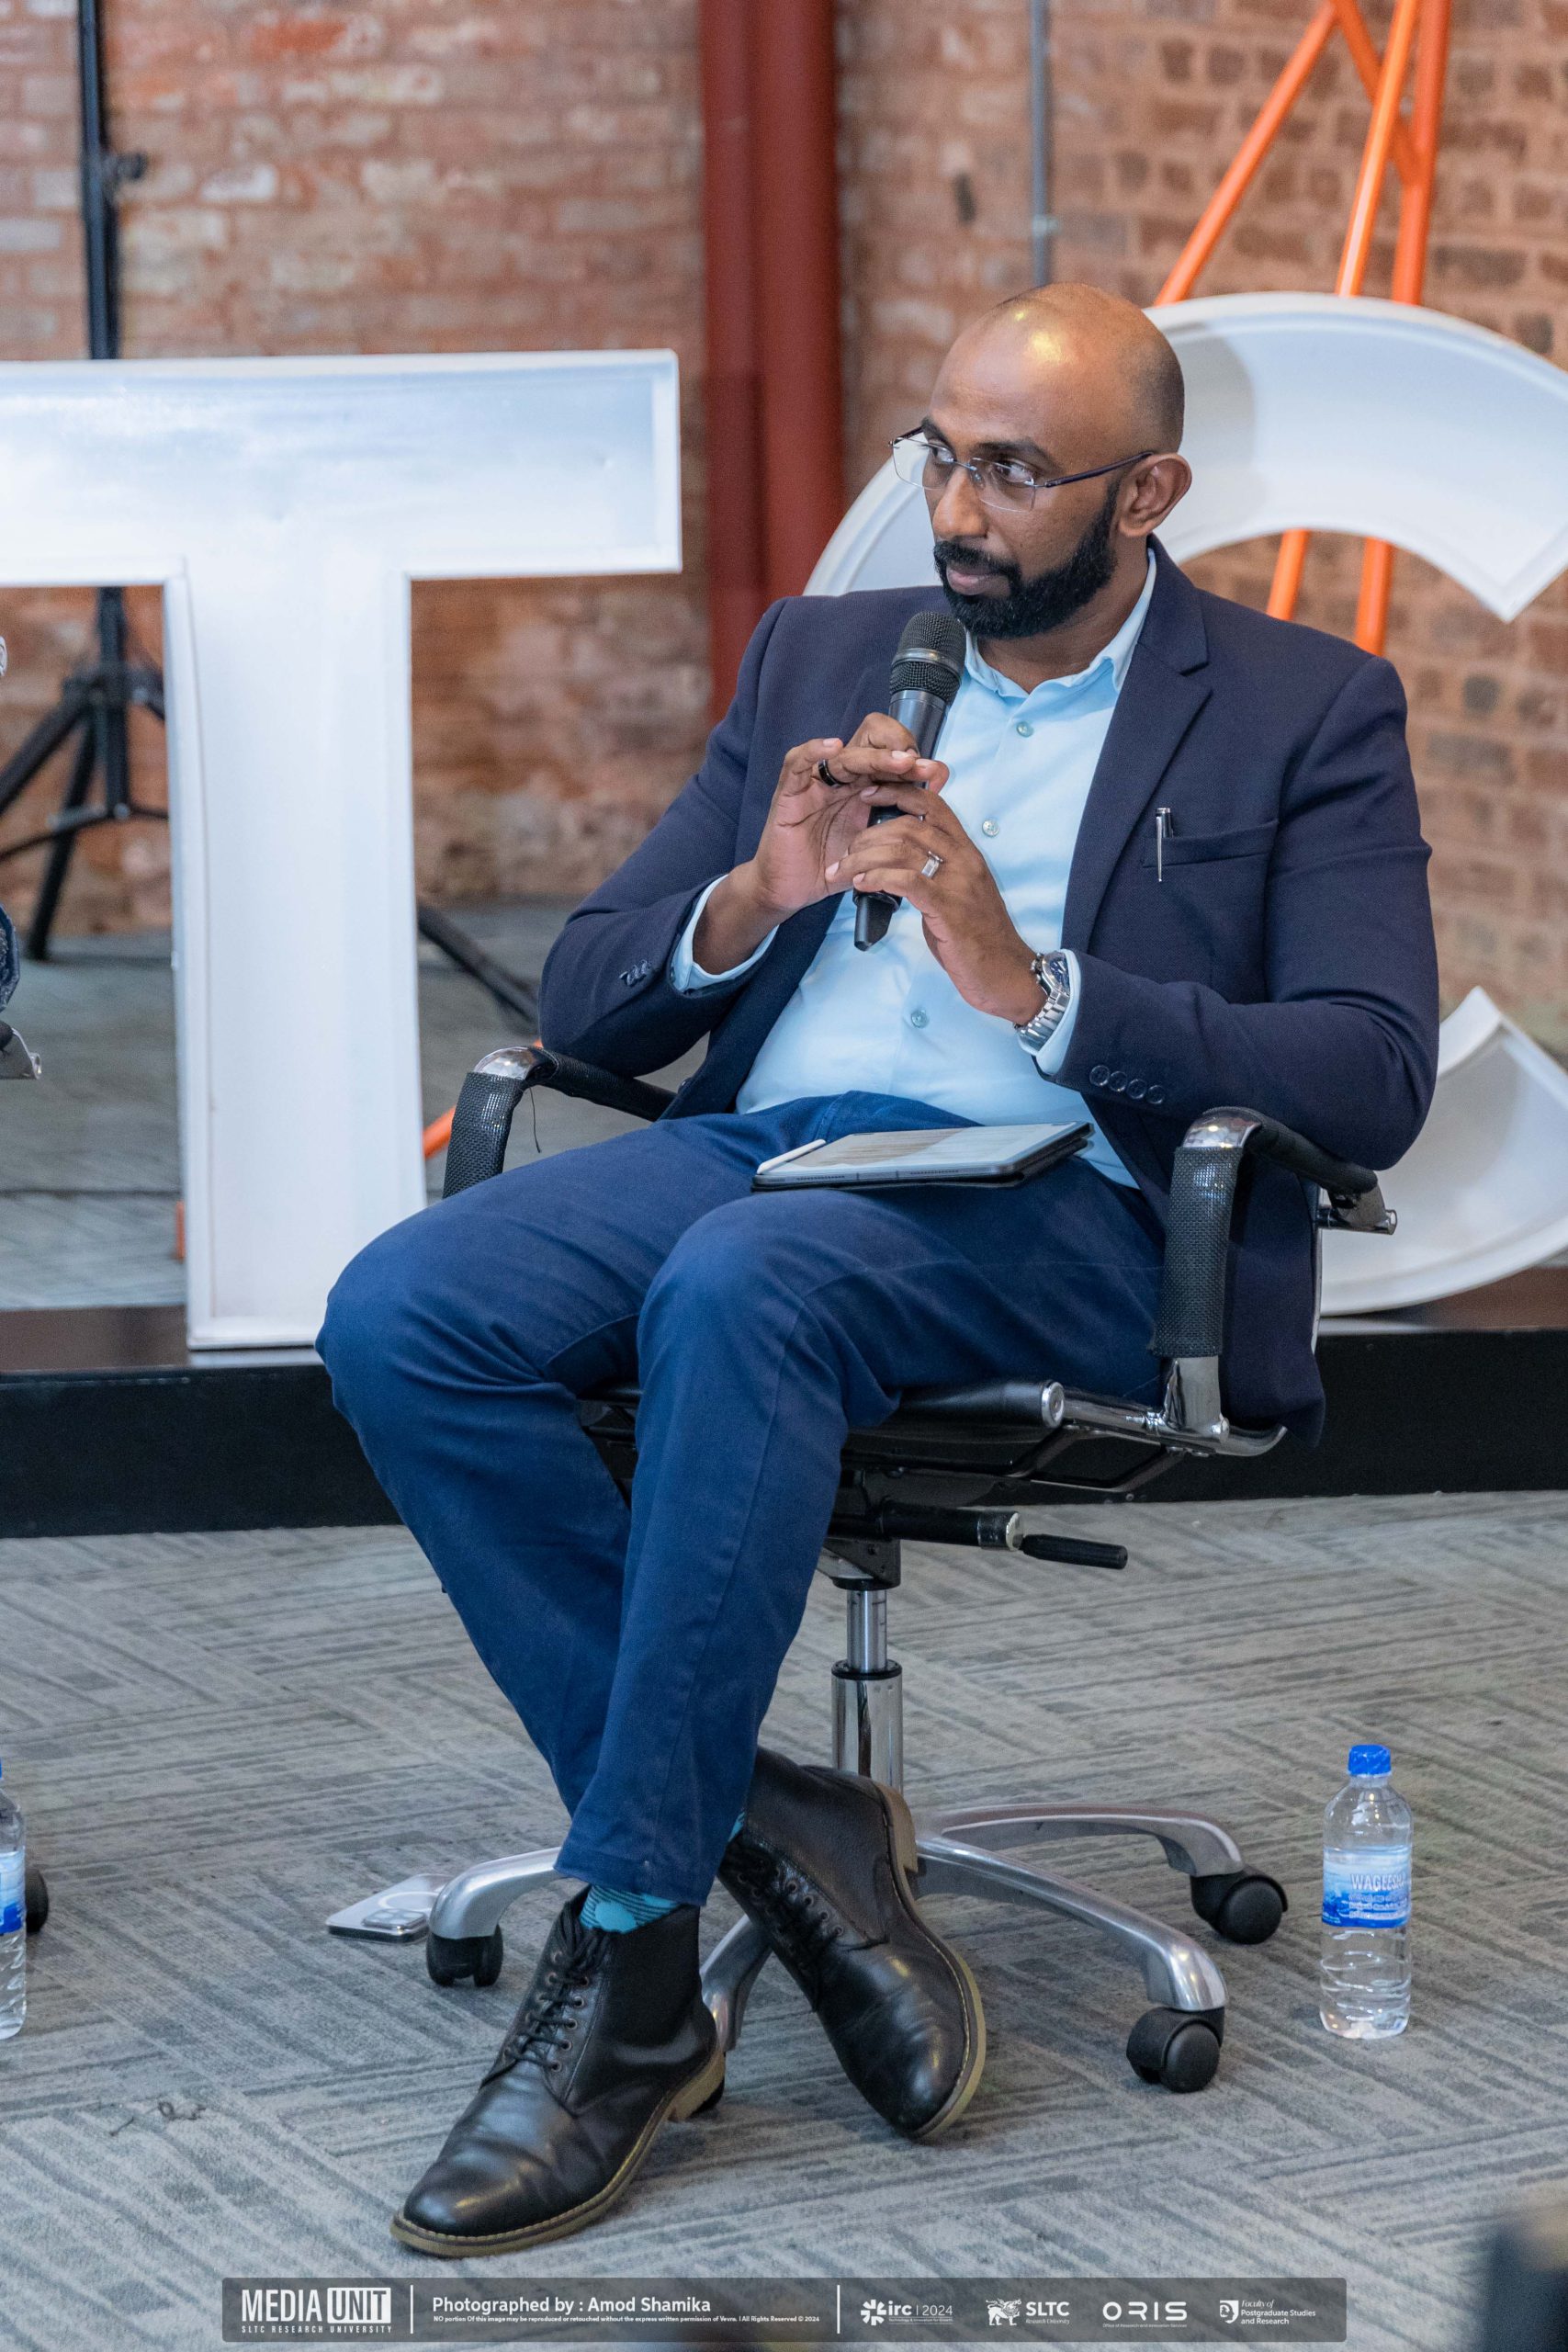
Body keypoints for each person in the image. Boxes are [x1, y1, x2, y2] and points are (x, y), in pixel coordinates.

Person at [319, 283, 1438, 2255]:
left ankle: (632, 1970)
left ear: (1148, 491)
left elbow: (1370, 1073)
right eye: (938, 454)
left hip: (1068, 1203)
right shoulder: (827, 654)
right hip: (780, 1145)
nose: (955, 510)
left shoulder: (1302, 706)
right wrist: (754, 894)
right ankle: (785, 1824)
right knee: (403, 1311)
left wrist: (1038, 983)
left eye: (1012, 470)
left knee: (748, 1283)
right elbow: (587, 991)